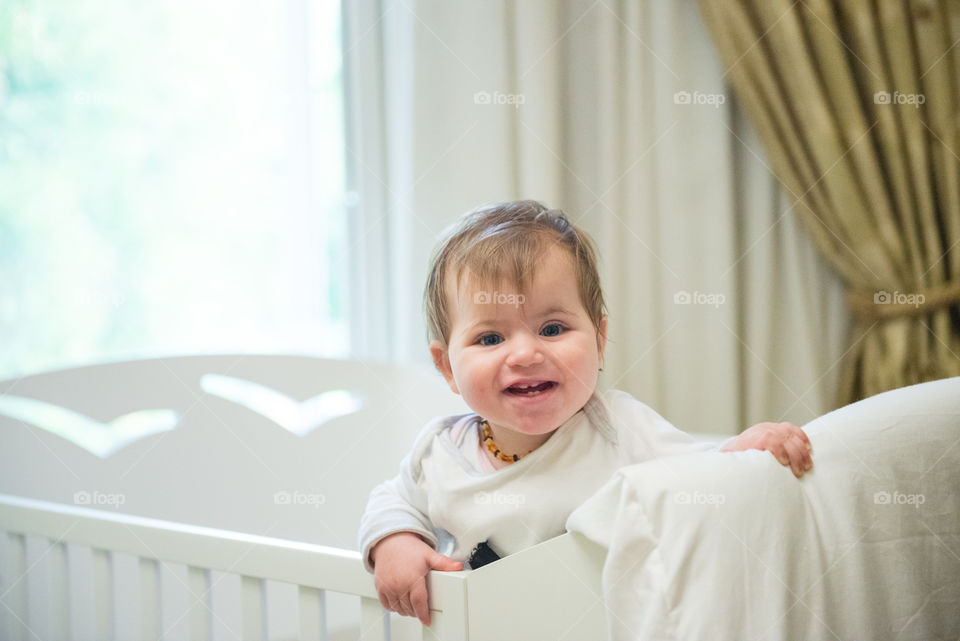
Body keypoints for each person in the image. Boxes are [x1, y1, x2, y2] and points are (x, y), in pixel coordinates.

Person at [358, 200, 813, 625]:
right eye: (491, 339)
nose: (524, 354)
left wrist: (745, 451)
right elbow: (393, 499)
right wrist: (395, 541)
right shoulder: (439, 451)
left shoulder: (619, 428)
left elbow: (697, 478)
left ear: (598, 340)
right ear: (447, 367)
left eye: (552, 328)